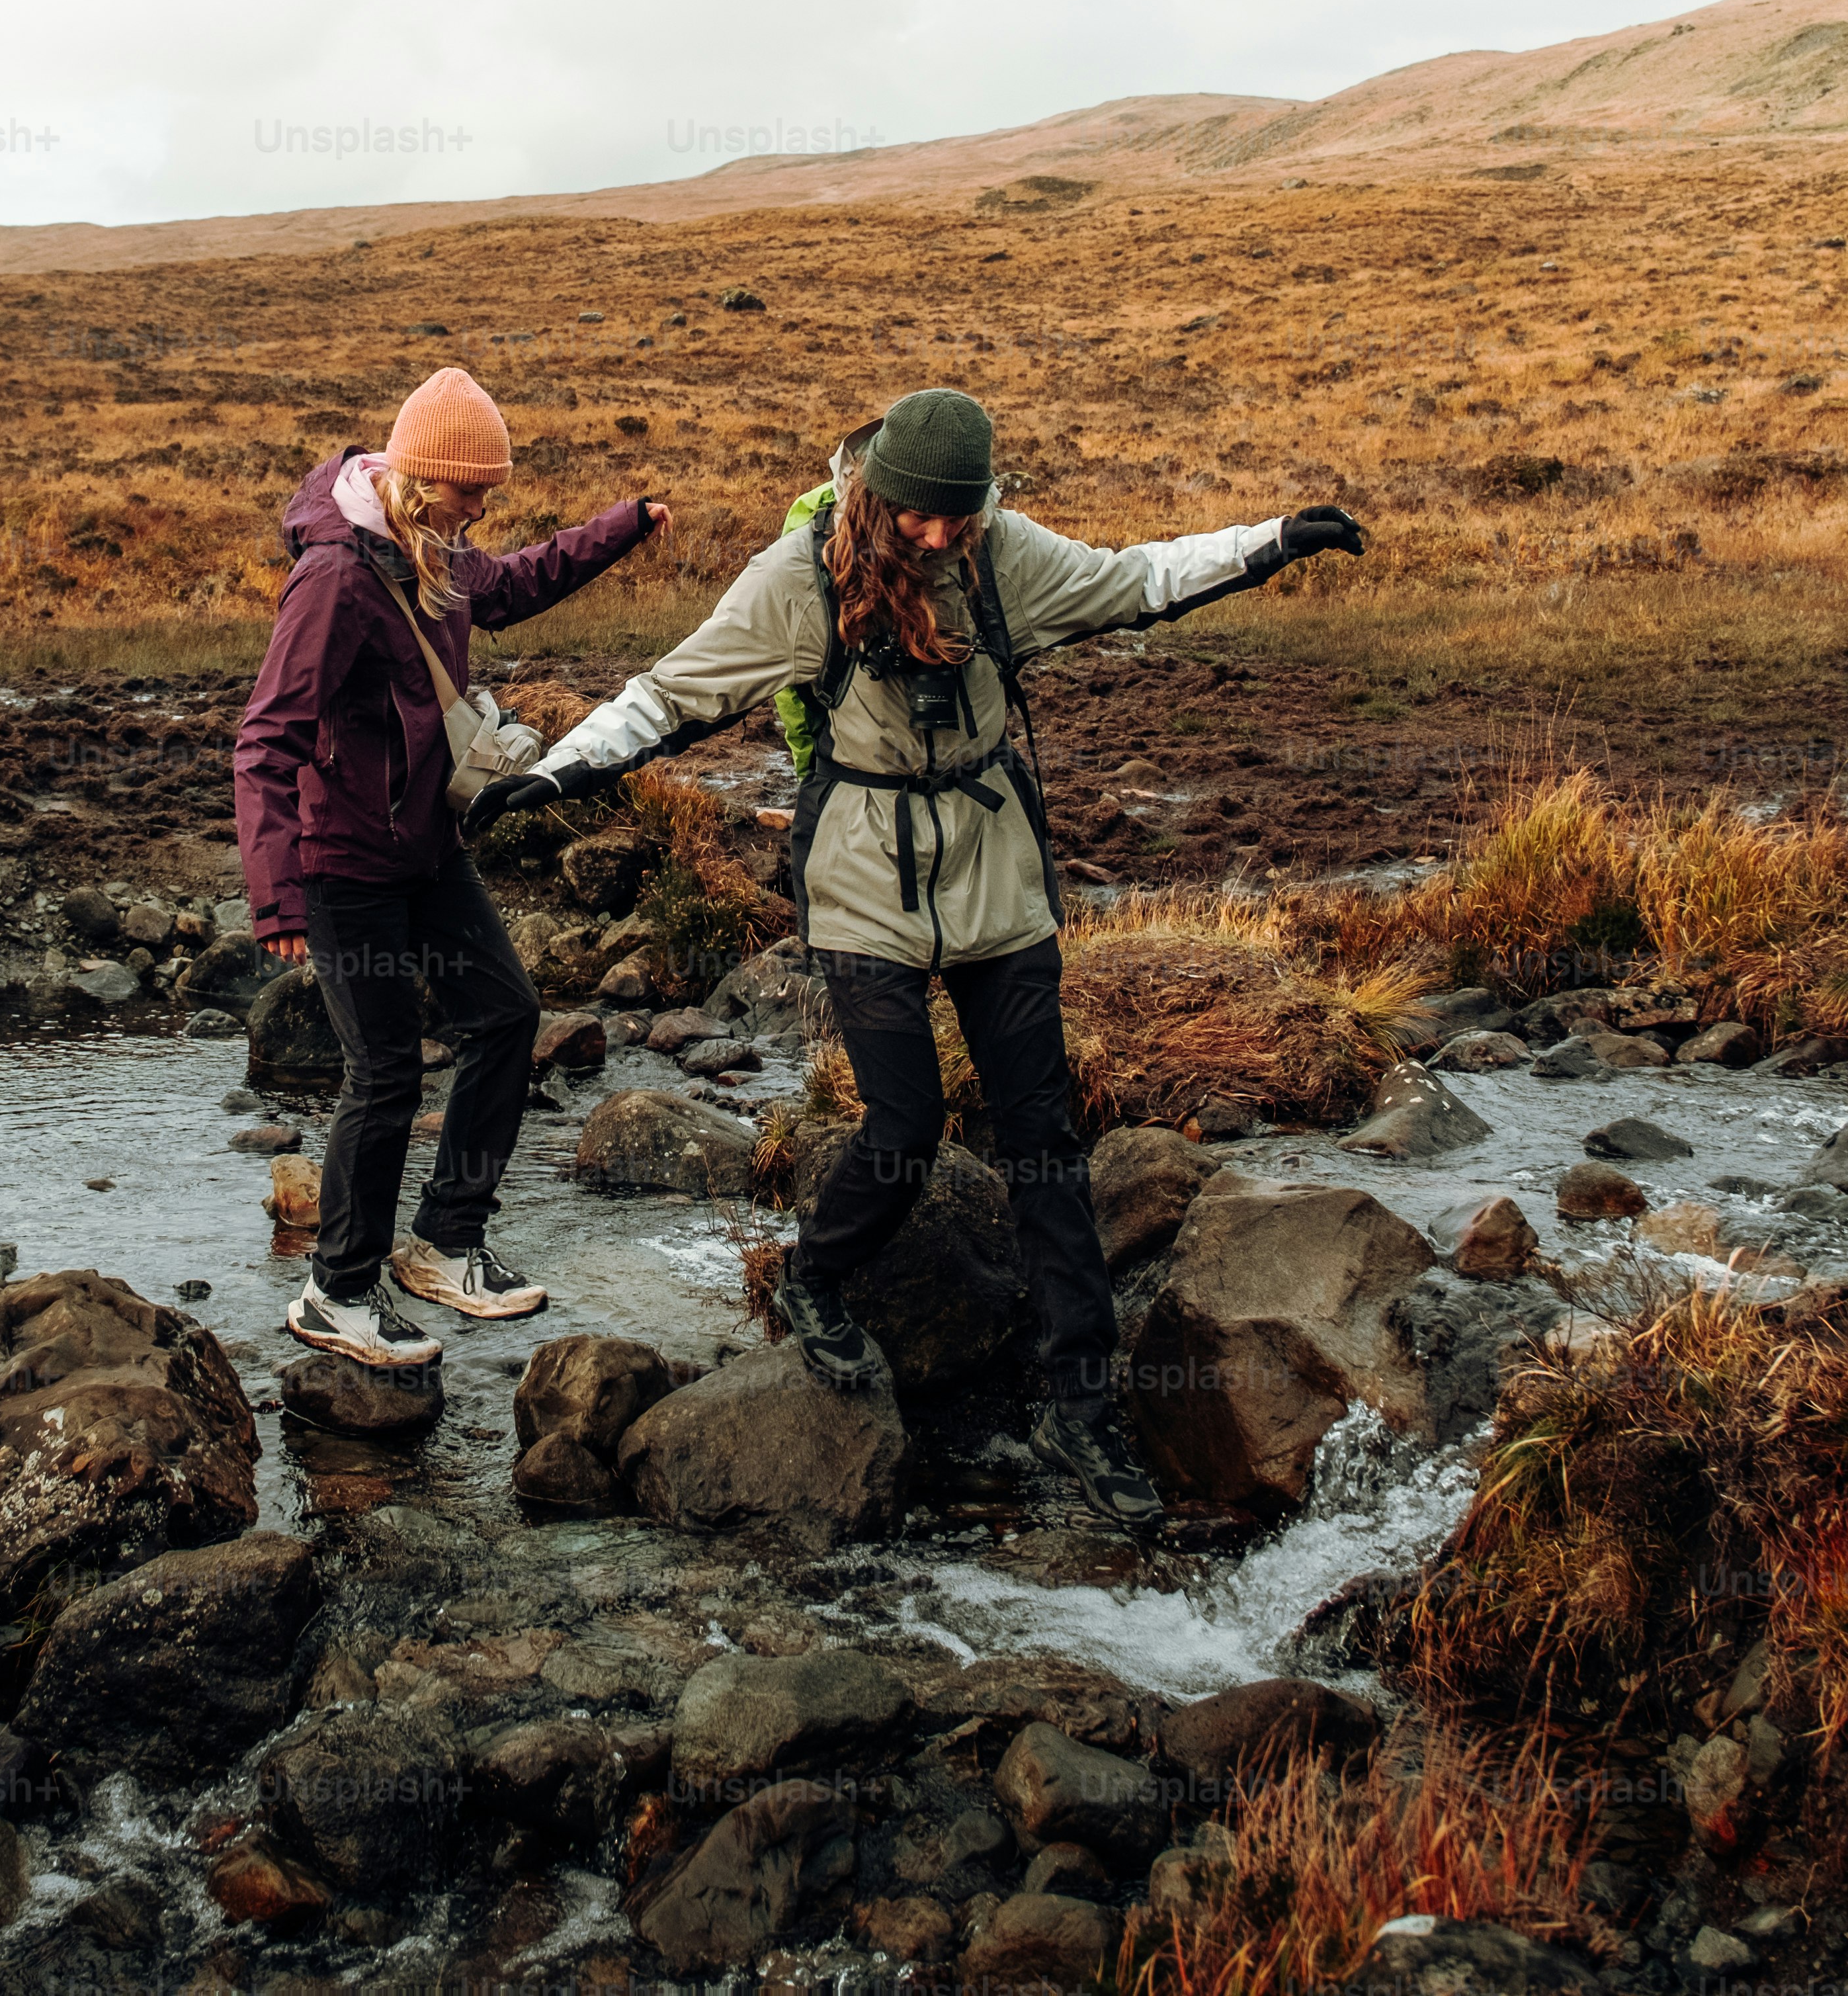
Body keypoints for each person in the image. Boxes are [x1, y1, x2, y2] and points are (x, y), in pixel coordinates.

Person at [466, 387, 1363, 1521]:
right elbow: (670, 696)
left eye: (962, 518)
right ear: (876, 495)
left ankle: (1081, 1412)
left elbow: (1133, 581)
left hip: (994, 870)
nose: (941, 537)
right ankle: (816, 1276)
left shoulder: (1001, 560)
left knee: (1044, 1140)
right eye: (922, 518)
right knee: (903, 1126)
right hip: (860, 881)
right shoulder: (798, 580)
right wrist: (549, 774)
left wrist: (1271, 542)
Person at [237, 367, 668, 1368]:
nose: (484, 508)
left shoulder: (430, 549)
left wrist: (624, 525)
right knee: (384, 1073)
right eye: (473, 490)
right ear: (422, 476)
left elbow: (513, 588)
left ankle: (443, 1243)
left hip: (425, 847)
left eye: (488, 491)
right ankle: (336, 1293)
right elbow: (265, 739)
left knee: (508, 1017)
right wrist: (277, 900)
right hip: (344, 862)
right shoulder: (338, 578)